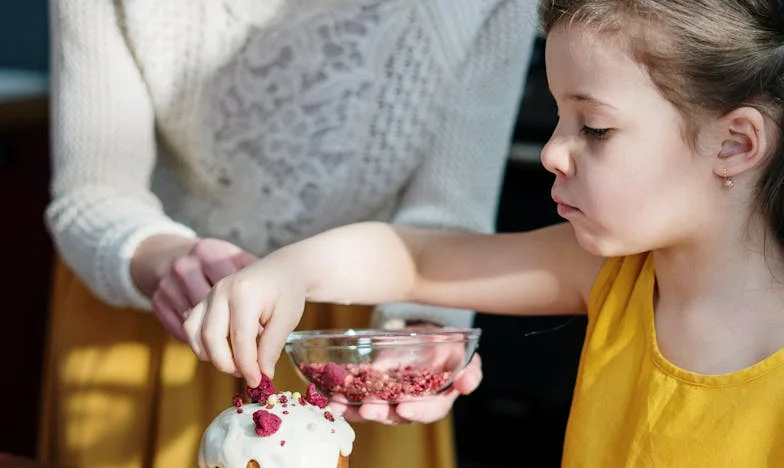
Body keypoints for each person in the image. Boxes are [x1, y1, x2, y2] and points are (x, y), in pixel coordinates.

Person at [181, 0, 784, 466]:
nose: (552, 152)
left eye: (594, 128)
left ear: (734, 143)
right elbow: (414, 262)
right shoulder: (611, 275)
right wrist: (290, 270)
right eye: (556, 117)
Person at [39, 0, 539, 467]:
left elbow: (448, 217)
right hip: (159, 308)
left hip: (350, 350)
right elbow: (92, 189)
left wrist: (424, 335)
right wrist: (165, 258)